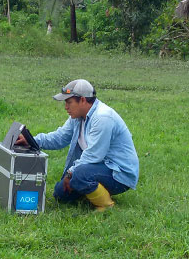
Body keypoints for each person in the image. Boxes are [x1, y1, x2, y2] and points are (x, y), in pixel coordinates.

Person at [16, 79, 138, 211]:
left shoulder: (103, 117)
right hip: (97, 168)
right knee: (60, 193)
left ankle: (106, 206)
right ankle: (90, 192)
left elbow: (93, 155)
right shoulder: (78, 116)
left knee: (80, 174)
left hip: (119, 173)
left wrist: (70, 173)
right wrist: (32, 141)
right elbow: (60, 137)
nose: (66, 107)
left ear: (83, 100)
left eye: (69, 102)